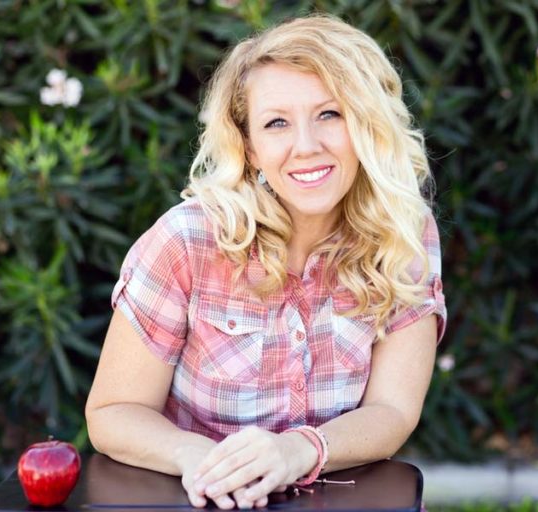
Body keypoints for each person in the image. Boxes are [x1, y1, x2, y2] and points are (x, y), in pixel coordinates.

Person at [85, 13, 446, 510]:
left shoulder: (403, 233)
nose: (306, 146)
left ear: (367, 122)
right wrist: (201, 459)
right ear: (250, 146)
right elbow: (113, 411)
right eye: (277, 123)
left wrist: (298, 450)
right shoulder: (188, 241)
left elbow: (393, 410)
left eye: (330, 114)